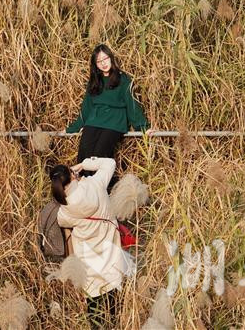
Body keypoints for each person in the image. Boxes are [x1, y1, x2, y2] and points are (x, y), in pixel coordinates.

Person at [49, 157, 135, 329]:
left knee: (95, 315)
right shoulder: (95, 185)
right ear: (73, 176)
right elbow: (109, 163)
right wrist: (83, 164)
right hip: (111, 259)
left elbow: (62, 222)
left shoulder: (65, 211)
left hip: (89, 266)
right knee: (114, 309)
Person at [65, 44, 153, 188]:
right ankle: (86, 192)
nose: (104, 63)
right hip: (94, 121)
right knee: (84, 155)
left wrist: (143, 127)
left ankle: (104, 192)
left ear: (111, 59)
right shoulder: (95, 81)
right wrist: (74, 128)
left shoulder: (122, 79)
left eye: (106, 58)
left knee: (99, 156)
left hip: (114, 122)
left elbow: (132, 104)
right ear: (95, 64)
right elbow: (86, 108)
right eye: (99, 61)